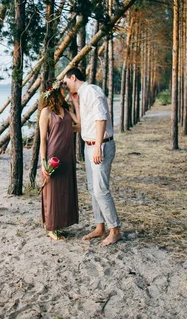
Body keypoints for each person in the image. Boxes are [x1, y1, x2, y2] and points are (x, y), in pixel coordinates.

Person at [63, 67, 121, 246]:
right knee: (92, 188)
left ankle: (115, 230)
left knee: (101, 189)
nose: (65, 86)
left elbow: (100, 118)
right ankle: (100, 227)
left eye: (66, 82)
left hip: (100, 145)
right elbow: (82, 123)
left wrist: (98, 147)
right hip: (91, 146)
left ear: (73, 78)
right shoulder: (82, 94)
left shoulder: (92, 91)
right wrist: (74, 103)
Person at [39, 79, 80, 241]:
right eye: (63, 88)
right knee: (52, 191)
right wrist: (43, 163)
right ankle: (51, 227)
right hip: (53, 155)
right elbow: (43, 139)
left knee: (64, 190)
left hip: (67, 154)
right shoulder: (46, 112)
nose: (66, 90)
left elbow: (79, 123)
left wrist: (75, 103)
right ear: (55, 91)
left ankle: (61, 223)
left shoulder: (66, 109)